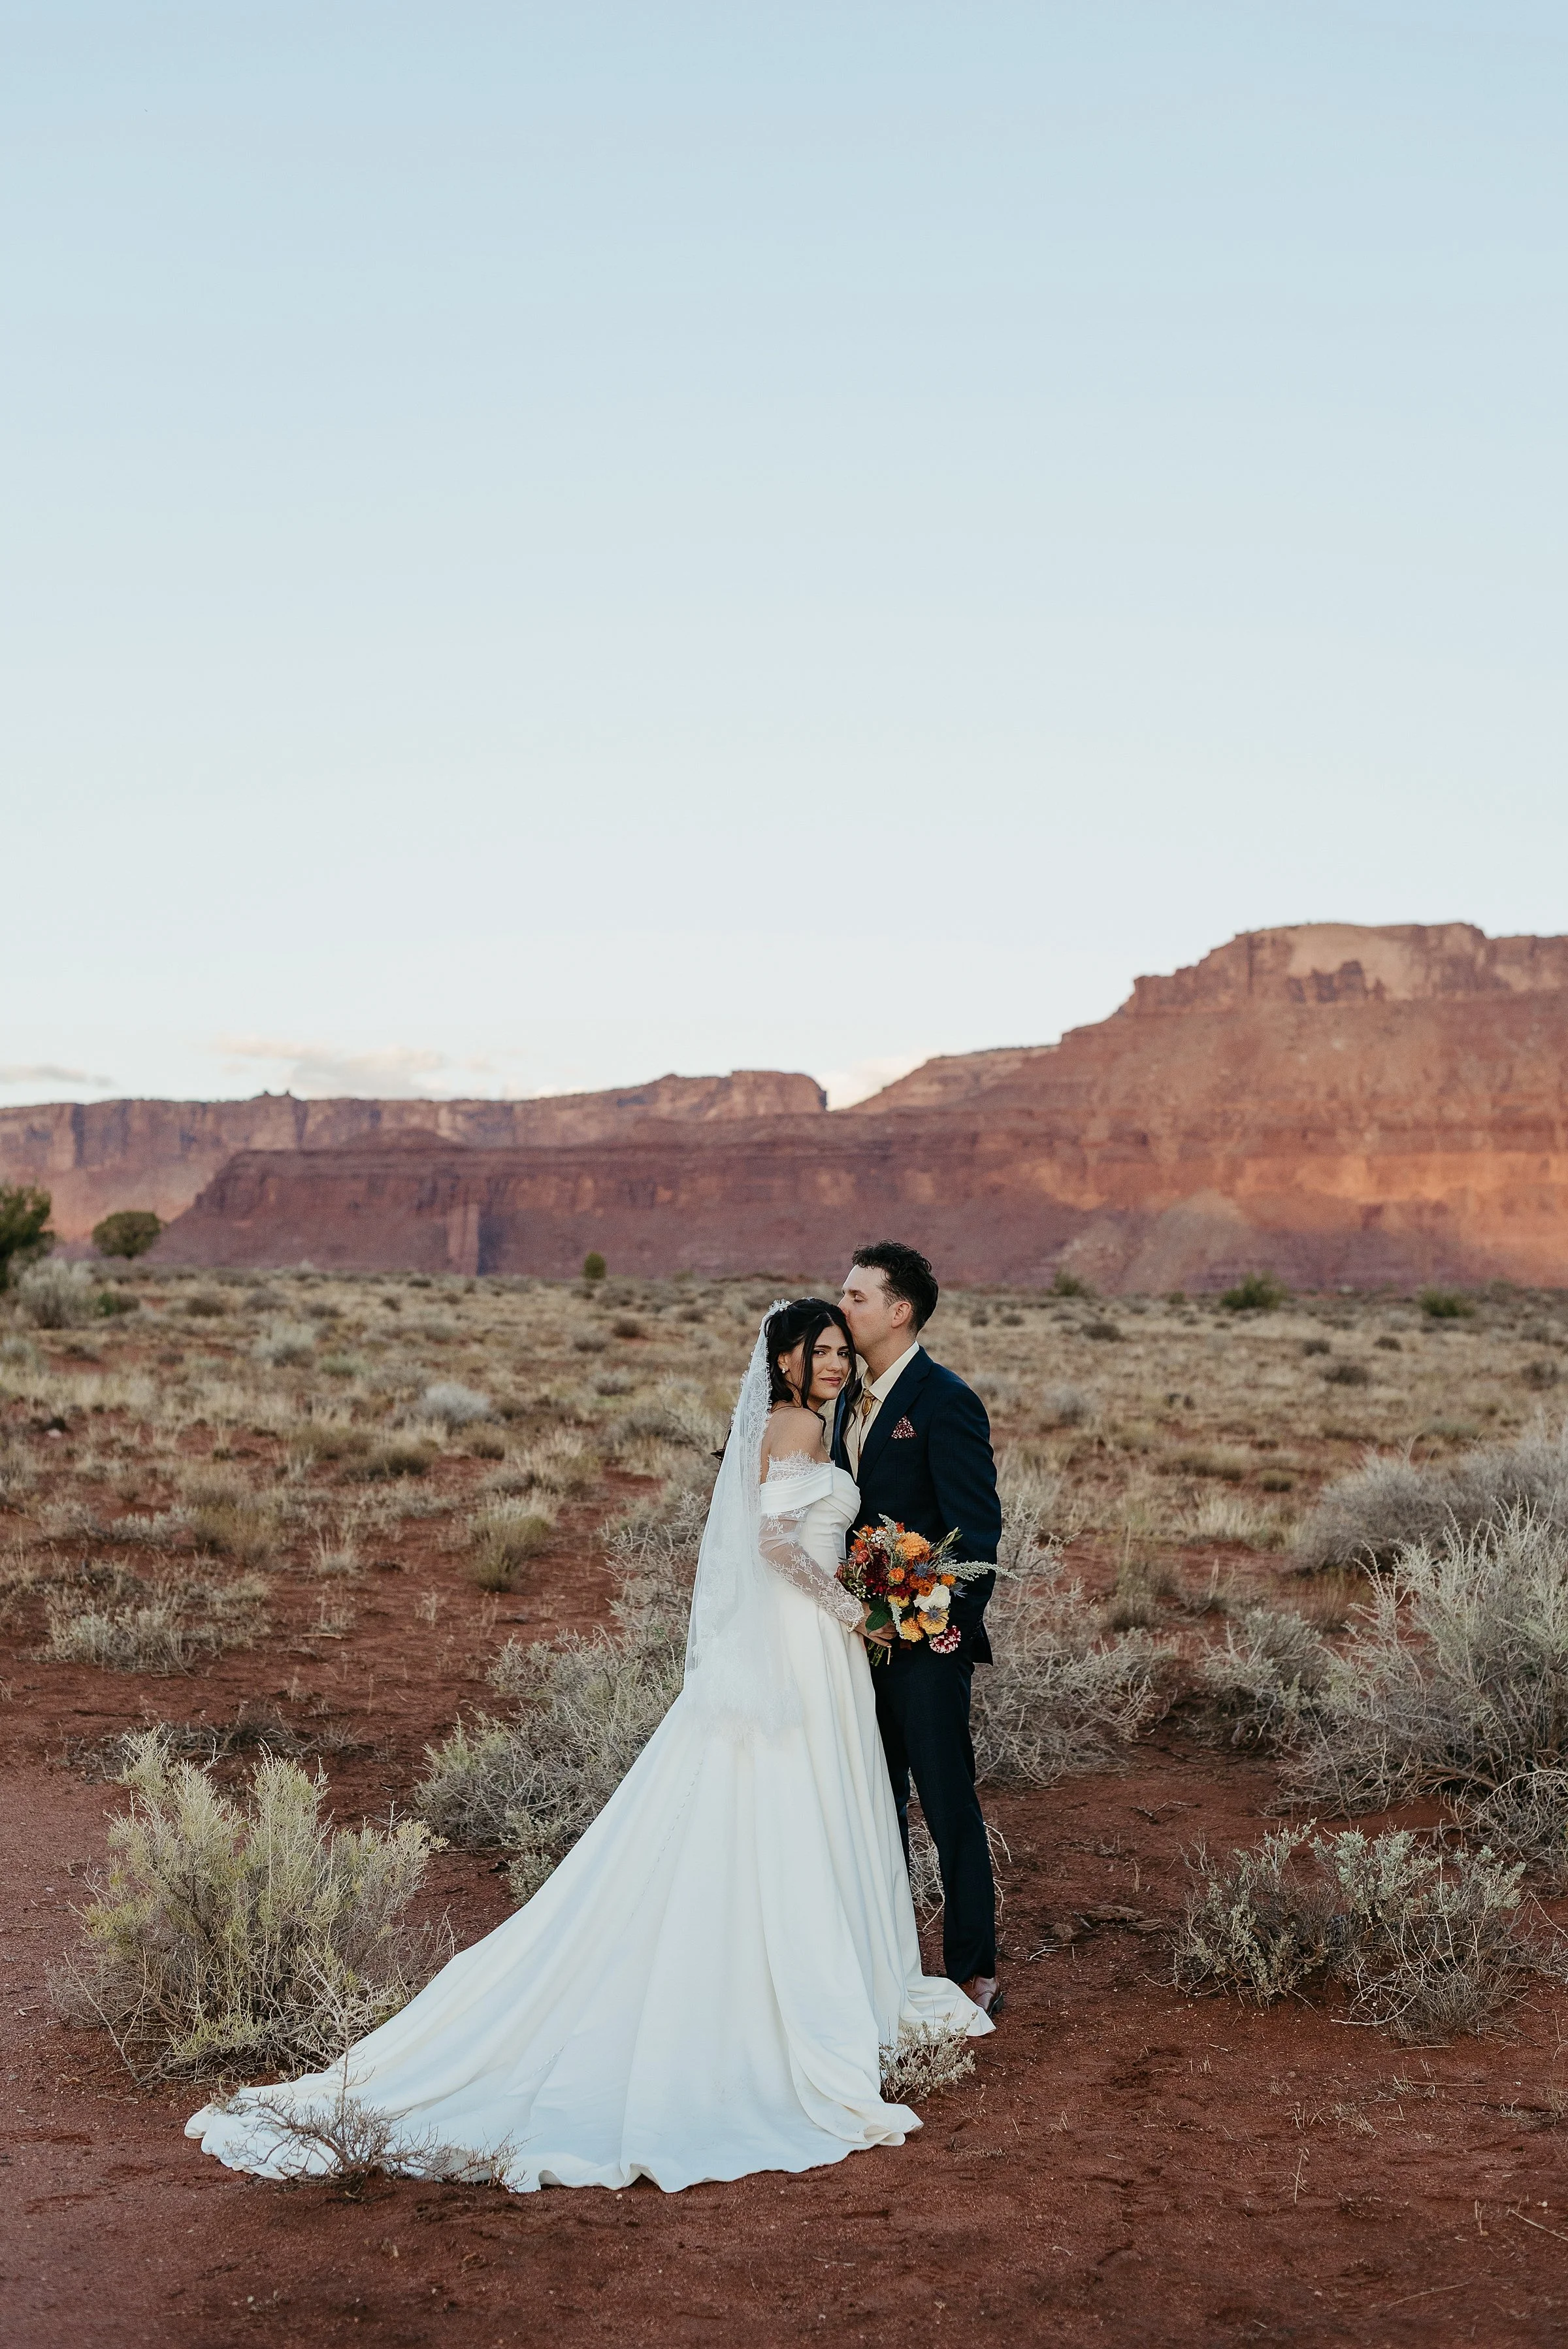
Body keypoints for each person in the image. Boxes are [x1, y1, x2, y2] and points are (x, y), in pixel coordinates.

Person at [186, 1298, 990, 2197]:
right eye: (822, 1350)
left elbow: (805, 1532)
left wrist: (872, 1589)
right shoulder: (799, 1421)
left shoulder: (811, 1420)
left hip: (818, 1643)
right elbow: (770, 1543)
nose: (837, 1363)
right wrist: (857, 1612)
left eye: (845, 1349)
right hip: (807, 1645)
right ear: (787, 1360)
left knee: (813, 1803)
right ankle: (799, 1988)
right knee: (801, 1805)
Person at [835, 1243, 1004, 2016]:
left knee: (945, 1804)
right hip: (851, 1646)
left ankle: (974, 1967)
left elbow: (976, 1537)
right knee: (873, 1804)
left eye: (857, 1296)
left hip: (926, 1650)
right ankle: (890, 1960)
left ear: (900, 1311)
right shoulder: (841, 1400)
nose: (843, 1306)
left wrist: (938, 1632)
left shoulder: (946, 1400)